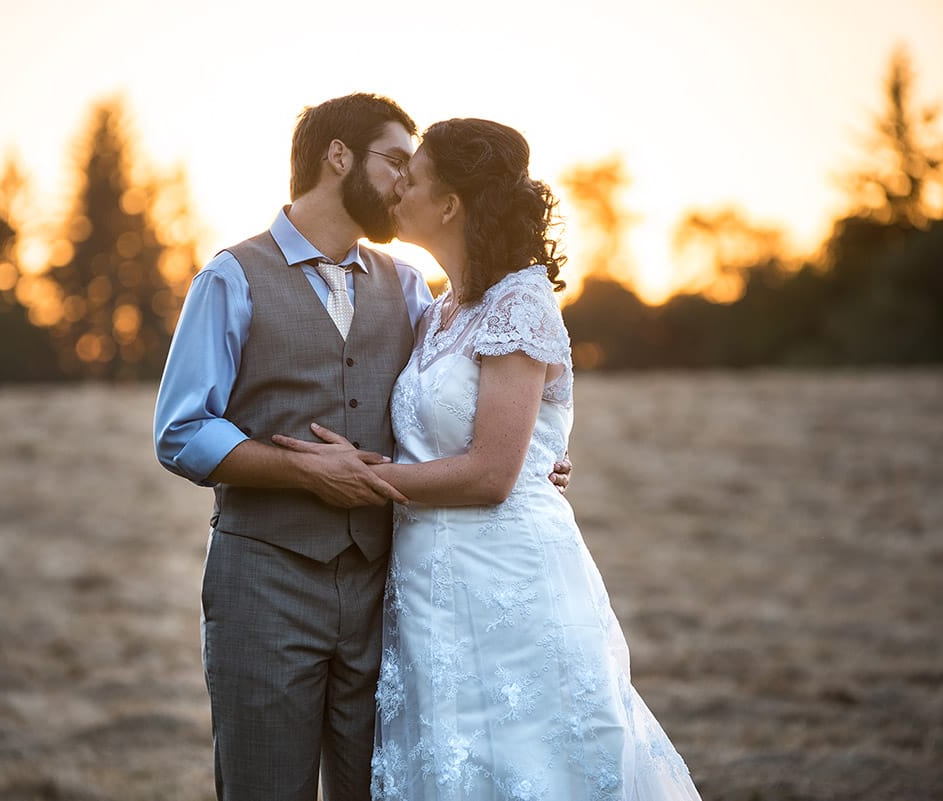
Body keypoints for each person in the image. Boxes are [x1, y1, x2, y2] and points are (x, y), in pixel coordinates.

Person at [153, 95, 571, 801]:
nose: (406, 181)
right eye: (395, 161)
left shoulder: (411, 289)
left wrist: (533, 459)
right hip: (265, 584)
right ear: (338, 157)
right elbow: (182, 430)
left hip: (387, 595)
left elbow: (459, 395)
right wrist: (300, 471)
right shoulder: (231, 276)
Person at [274, 119, 703, 799]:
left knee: (526, 767)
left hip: (507, 579)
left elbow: (493, 473)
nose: (395, 190)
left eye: (409, 180)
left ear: (448, 205)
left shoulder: (520, 302)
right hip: (425, 589)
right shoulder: (440, 309)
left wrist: (362, 477)